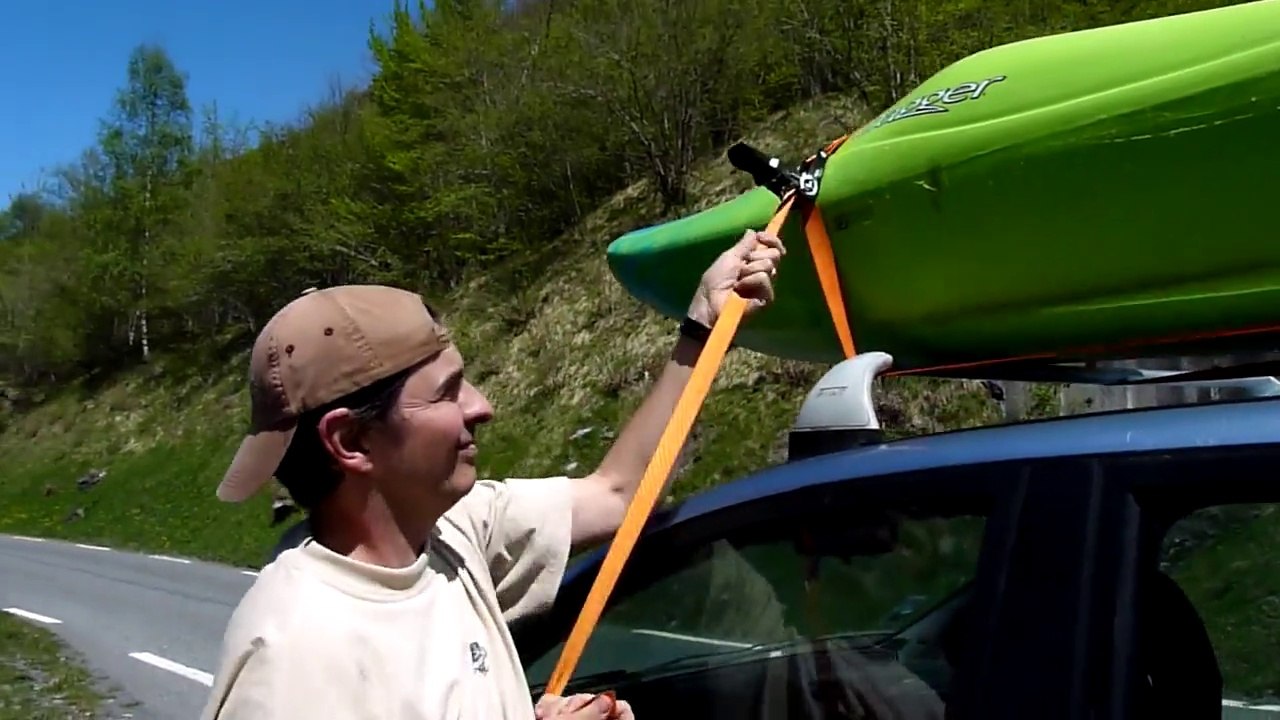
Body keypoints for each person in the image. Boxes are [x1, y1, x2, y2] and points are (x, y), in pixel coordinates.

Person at [197, 229, 786, 720]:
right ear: (352, 441)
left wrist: (703, 325)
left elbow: (619, 493)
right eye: (448, 393)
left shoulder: (456, 528)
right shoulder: (294, 662)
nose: (482, 406)